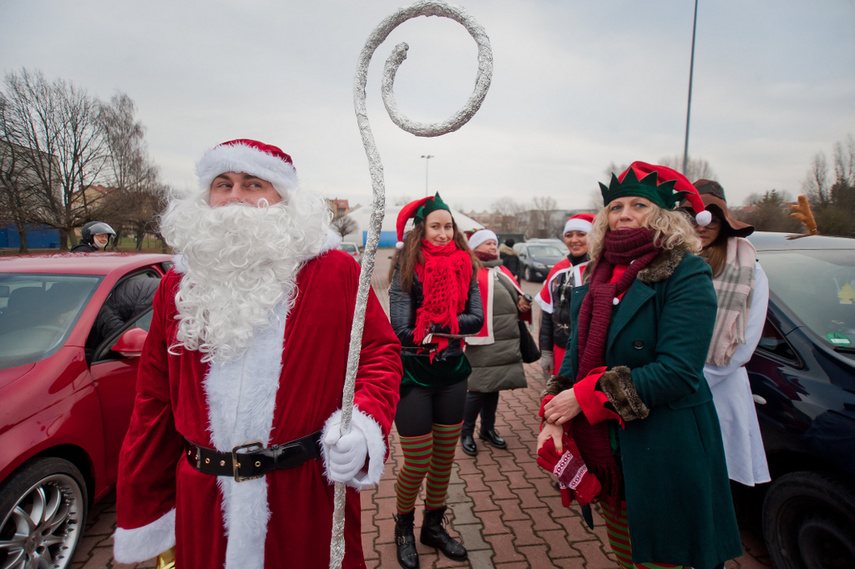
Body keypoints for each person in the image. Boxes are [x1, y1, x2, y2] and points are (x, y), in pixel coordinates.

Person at [113, 139, 402, 569]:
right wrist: (147, 506)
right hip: (204, 503)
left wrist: (360, 424)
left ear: (282, 198)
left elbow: (380, 355)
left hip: (303, 498)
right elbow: (153, 399)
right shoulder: (177, 286)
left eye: (252, 184)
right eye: (222, 184)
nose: (234, 197)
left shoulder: (335, 272)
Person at [538, 161, 742, 569]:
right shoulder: (597, 273)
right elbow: (574, 360)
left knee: (665, 557)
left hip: (664, 445)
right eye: (615, 207)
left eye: (639, 205)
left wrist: (585, 398)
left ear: (663, 216)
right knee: (627, 551)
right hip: (609, 449)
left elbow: (679, 372)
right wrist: (553, 413)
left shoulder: (687, 271)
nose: (624, 213)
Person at [388, 193, 483, 569]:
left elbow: (477, 321)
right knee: (417, 460)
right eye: (436, 226)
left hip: (452, 373)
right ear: (421, 230)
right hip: (413, 373)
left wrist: (437, 327)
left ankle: (433, 526)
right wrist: (451, 329)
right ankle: (403, 527)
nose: (444, 234)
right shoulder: (406, 268)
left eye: (449, 227)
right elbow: (401, 330)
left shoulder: (467, 266)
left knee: (444, 459)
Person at [687, 179, 771, 487]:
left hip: (719, 390)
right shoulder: (668, 264)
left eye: (713, 217)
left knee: (712, 483)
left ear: (723, 223)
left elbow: (745, 342)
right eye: (694, 215)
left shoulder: (750, 270)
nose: (703, 224)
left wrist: (688, 378)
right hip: (670, 389)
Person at [460, 229, 531, 457]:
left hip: (503, 339)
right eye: (487, 243)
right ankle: (466, 432)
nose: (492, 246)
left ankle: (487, 429)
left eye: (494, 242)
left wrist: (522, 303)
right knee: (477, 388)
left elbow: (516, 296)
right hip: (481, 342)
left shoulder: (501, 270)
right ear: (475, 247)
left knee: (493, 387)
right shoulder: (469, 271)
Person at [536, 213, 594, 377]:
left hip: (592, 351)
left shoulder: (602, 268)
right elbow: (548, 314)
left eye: (581, 234)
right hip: (561, 348)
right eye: (569, 235)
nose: (574, 240)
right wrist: (547, 351)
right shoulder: (558, 270)